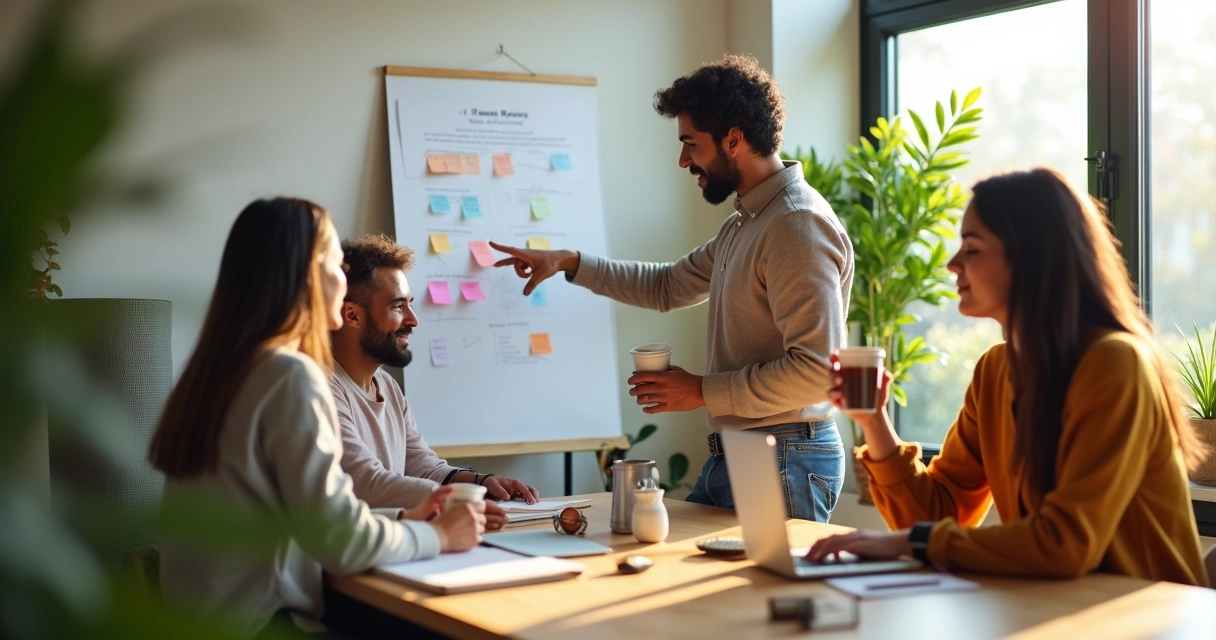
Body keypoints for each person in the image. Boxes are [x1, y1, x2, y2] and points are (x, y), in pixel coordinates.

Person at [490, 55, 854, 522]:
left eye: (690, 144)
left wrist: (702, 390)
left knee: (751, 595)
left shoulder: (795, 226)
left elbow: (817, 372)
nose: (683, 160)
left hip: (785, 456)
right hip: (747, 451)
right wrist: (567, 262)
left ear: (734, 140)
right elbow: (666, 285)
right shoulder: (747, 224)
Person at [806, 169, 1209, 586]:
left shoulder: (1116, 362)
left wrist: (912, 543)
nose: (952, 264)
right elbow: (938, 515)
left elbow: (1064, 542)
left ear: (1032, 258)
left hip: (1148, 617)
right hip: (1056, 610)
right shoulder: (996, 370)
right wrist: (875, 421)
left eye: (973, 249)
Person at [149, 198, 486, 638]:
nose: (339, 280)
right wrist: (441, 537)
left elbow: (307, 519)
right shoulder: (288, 374)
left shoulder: (217, 371)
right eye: (332, 265)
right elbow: (339, 541)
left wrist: (403, 522)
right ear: (304, 277)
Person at [330, 233, 539, 528]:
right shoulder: (320, 387)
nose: (413, 320)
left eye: (410, 305)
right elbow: (365, 483)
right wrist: (463, 497)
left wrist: (482, 482)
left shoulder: (387, 385)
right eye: (398, 306)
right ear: (352, 315)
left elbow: (420, 465)